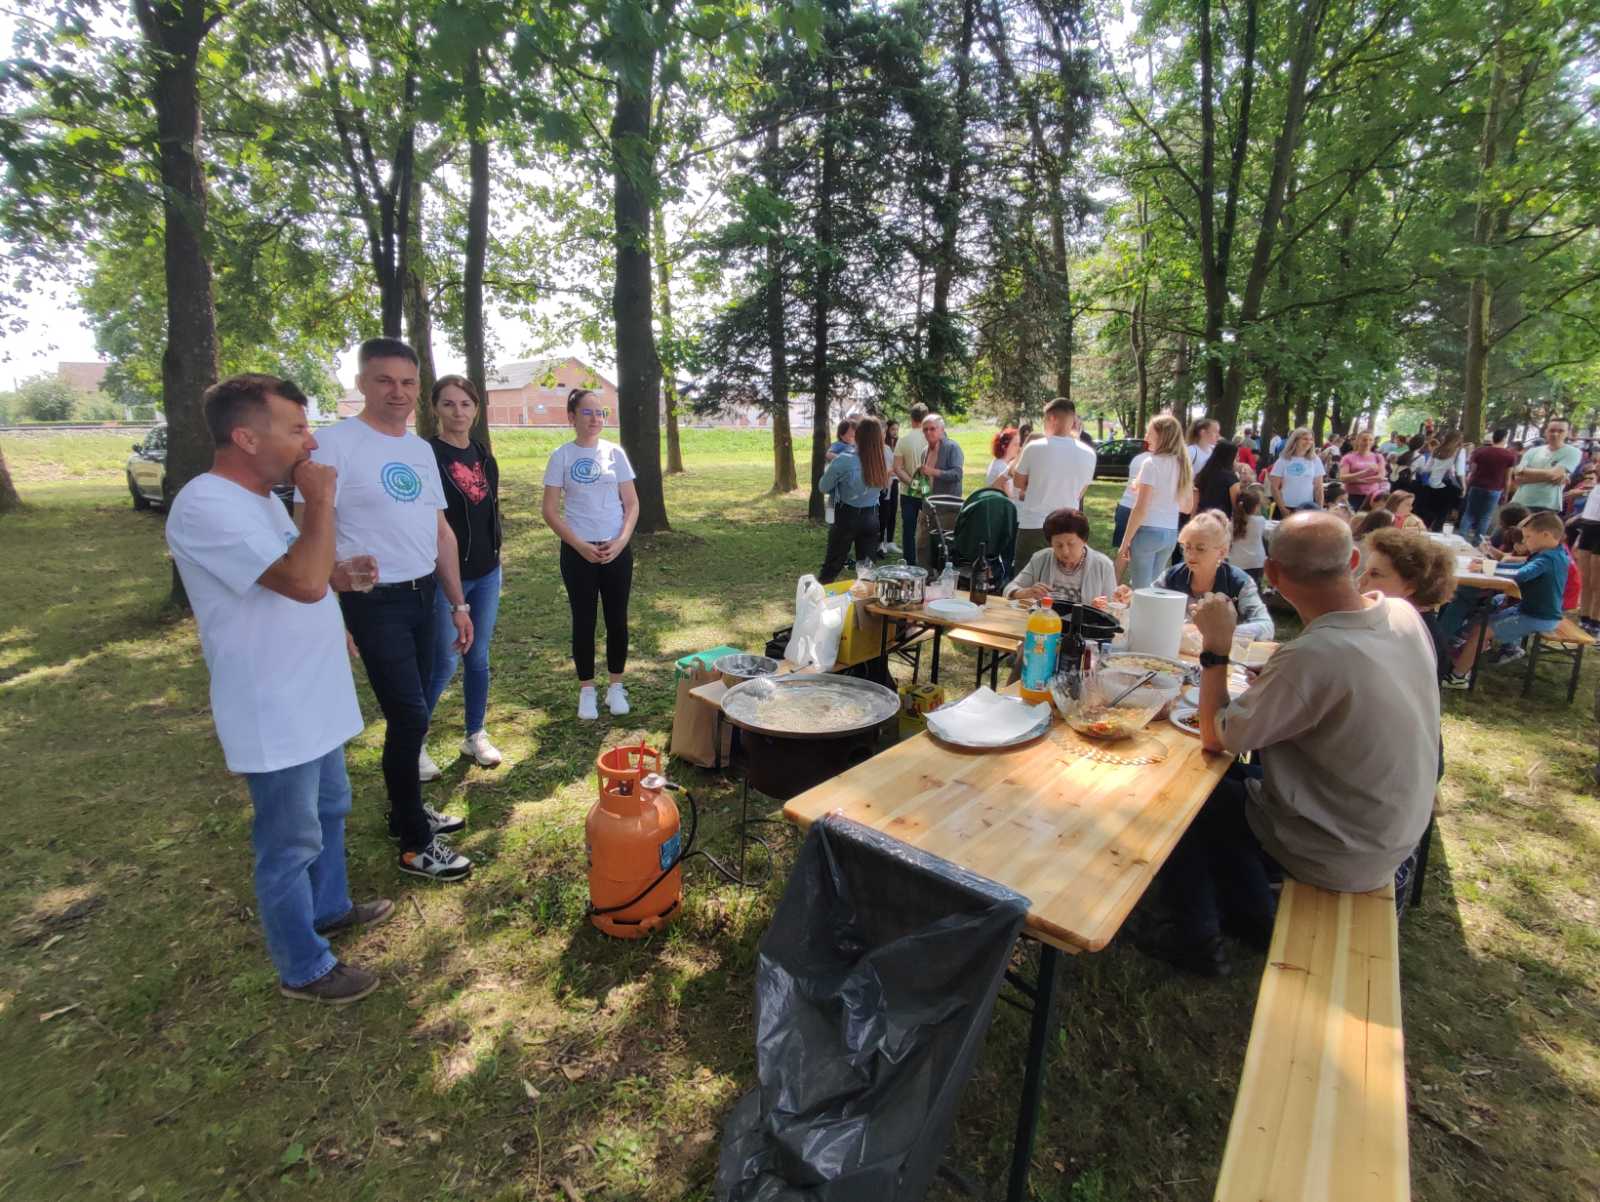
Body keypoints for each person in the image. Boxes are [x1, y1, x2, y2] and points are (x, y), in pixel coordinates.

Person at [168, 374, 390, 1004]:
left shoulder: (263, 500)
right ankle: (304, 967)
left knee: (331, 808)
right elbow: (300, 584)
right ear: (246, 437)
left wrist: (338, 574)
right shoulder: (205, 504)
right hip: (273, 705)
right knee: (289, 840)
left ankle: (329, 907)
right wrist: (321, 502)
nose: (310, 442)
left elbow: (302, 573)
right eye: (296, 429)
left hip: (313, 693)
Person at [1152, 512, 1438, 976]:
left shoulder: (1315, 656)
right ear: (1353, 560)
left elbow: (1215, 736)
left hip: (1341, 848)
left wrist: (1216, 648)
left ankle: (1194, 939)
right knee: (1225, 788)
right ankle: (1249, 912)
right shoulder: (1401, 614)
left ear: (1273, 574)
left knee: (1186, 796)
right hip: (1392, 829)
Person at [299, 338, 473, 883]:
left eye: (407, 382)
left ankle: (404, 813)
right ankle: (416, 846)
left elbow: (440, 532)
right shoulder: (333, 444)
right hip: (374, 602)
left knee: (416, 708)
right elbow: (307, 528)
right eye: (384, 380)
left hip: (424, 596)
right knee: (409, 715)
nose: (397, 392)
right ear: (361, 383)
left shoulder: (420, 450)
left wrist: (458, 602)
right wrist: (332, 597)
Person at [422, 376, 505, 774]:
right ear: (435, 408)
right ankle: (414, 740)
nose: (458, 412)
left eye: (466, 404)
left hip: (487, 573)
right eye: (449, 404)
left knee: (478, 657)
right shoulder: (427, 457)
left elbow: (489, 511)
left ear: (476, 409)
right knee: (444, 661)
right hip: (446, 576)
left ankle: (475, 734)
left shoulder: (483, 455)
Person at [542, 388, 641, 721]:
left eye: (600, 413)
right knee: (584, 620)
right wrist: (579, 545)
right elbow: (550, 511)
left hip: (615, 551)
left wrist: (621, 541)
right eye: (587, 412)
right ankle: (587, 690)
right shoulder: (561, 456)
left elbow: (632, 504)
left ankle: (616, 686)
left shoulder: (615, 453)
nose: (595, 418)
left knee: (617, 619)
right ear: (571, 417)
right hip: (578, 552)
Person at [1447, 511, 1571, 684]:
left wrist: (1489, 570)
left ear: (1546, 535)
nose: (1525, 541)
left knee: (1480, 633)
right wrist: (1492, 566)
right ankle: (1460, 662)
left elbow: (1521, 574)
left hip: (1539, 617)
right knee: (1479, 627)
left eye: (1528, 537)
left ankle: (1457, 677)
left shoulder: (1548, 559)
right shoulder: (1552, 553)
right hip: (1530, 610)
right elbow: (1521, 567)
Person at [1115, 511, 1273, 642]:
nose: (1191, 554)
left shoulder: (1239, 582)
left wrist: (1219, 633)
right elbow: (1148, 603)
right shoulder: (1172, 576)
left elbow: (1266, 626)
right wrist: (1131, 600)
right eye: (1187, 547)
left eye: (1200, 549)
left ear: (1222, 552)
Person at [1359, 527, 1458, 680]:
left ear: (1410, 587)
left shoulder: (1413, 638)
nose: (1360, 580)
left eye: (1375, 574)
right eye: (1366, 571)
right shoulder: (1387, 620)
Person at [1013, 397, 1097, 565]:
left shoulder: (1034, 447)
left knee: (1026, 575)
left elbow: (1018, 482)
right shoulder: (1089, 453)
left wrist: (1035, 484)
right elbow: (1081, 492)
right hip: (1069, 527)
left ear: (1051, 418)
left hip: (1034, 523)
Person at [1116, 414, 1194, 588]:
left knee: (1141, 588)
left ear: (1161, 436)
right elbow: (1187, 507)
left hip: (1148, 530)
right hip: (1170, 533)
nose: (1146, 438)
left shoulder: (1151, 463)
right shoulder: (1183, 465)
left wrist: (1125, 542)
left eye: (1149, 433)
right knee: (1154, 587)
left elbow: (1140, 508)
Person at [817, 416, 892, 583]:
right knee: (867, 571)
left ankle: (818, 597)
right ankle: (865, 599)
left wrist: (837, 487)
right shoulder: (883, 458)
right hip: (871, 517)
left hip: (846, 516)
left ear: (857, 435)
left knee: (832, 566)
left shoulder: (845, 459)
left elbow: (823, 487)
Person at [1004, 508, 1117, 606]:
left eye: (1071, 544)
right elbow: (1009, 589)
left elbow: (1112, 605)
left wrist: (1101, 606)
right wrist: (1027, 592)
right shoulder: (1041, 558)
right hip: (1045, 621)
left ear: (1084, 540)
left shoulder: (1103, 565)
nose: (1065, 551)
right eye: (1058, 545)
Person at [912, 413, 966, 567]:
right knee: (922, 546)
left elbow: (957, 474)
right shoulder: (925, 451)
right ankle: (925, 574)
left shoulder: (952, 448)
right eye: (925, 430)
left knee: (943, 550)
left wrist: (933, 471)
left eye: (932, 429)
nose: (928, 432)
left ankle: (941, 577)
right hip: (927, 507)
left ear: (942, 429)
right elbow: (926, 480)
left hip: (947, 509)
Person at [1510, 417, 1582, 513]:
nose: (1555, 434)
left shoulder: (1573, 452)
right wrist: (1550, 476)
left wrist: (1523, 470)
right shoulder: (1532, 451)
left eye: (1560, 431)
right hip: (1520, 501)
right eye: (1552, 430)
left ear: (1568, 433)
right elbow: (1518, 478)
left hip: (1547, 505)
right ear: (1546, 432)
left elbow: (1554, 474)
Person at [1461, 428, 1517, 543]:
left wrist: (1468, 485)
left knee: (1469, 513)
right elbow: (1507, 478)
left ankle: (1461, 538)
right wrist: (1506, 494)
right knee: (1485, 517)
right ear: (1504, 438)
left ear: (1493, 438)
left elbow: (1472, 470)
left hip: (1476, 485)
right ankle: (1477, 542)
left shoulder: (1480, 451)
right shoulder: (1509, 456)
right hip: (1495, 489)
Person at [892, 403, 930, 566]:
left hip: (908, 492)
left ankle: (909, 563)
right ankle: (929, 562)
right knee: (931, 528)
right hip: (929, 491)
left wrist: (913, 483)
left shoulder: (903, 440)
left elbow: (897, 468)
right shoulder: (933, 438)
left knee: (908, 529)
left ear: (911, 418)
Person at [1411, 429, 1466, 530]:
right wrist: (1464, 486)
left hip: (1431, 484)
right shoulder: (1459, 451)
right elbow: (1460, 472)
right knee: (1442, 515)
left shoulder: (1437, 450)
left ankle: (1422, 532)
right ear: (1459, 439)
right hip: (1447, 486)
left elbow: (1426, 469)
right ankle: (1435, 533)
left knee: (1429, 514)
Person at [1267, 427, 1325, 515]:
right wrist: (1283, 509)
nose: (1308, 442)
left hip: (1307, 509)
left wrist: (1319, 510)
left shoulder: (1315, 460)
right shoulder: (1283, 460)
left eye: (1311, 439)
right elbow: (1274, 487)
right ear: (1295, 440)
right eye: (1305, 439)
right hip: (1285, 507)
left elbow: (1319, 488)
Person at [1111, 442, 1151, 551]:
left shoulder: (1137, 458)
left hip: (1125, 505)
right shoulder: (1154, 461)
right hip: (1139, 509)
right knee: (1138, 551)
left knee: (1122, 550)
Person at [1228, 486, 1269, 587]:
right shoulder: (1260, 521)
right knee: (1255, 589)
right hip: (1256, 561)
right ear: (1256, 507)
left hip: (1237, 561)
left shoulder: (1231, 523)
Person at [1337, 431, 1387, 512]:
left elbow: (1380, 477)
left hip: (1373, 497)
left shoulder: (1378, 457)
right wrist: (1365, 472)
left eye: (1370, 440)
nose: (1367, 443)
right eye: (1364, 440)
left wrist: (1355, 480)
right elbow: (1343, 478)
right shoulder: (1348, 457)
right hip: (1352, 496)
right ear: (1358, 441)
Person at [1575, 481, 1600, 636]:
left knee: (1597, 581)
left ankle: (1596, 622)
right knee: (1585, 579)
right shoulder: (1595, 485)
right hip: (1588, 528)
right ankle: (1584, 617)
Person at [1193, 439, 1241, 517]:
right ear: (1230, 458)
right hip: (1219, 519)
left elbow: (1195, 501)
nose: (1238, 460)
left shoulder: (1204, 473)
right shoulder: (1231, 478)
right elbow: (1236, 506)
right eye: (1236, 457)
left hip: (1201, 518)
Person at [878, 420, 901, 556]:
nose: (894, 432)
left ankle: (888, 542)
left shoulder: (892, 446)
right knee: (882, 514)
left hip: (892, 482)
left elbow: (895, 466)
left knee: (891, 511)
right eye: (891, 429)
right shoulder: (880, 448)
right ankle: (880, 543)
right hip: (880, 485)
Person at [985, 426, 1020, 498]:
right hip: (1001, 504)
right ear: (1004, 447)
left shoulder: (998, 462)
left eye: (1019, 444)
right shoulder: (1001, 467)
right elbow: (1009, 497)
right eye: (1015, 445)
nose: (1018, 448)